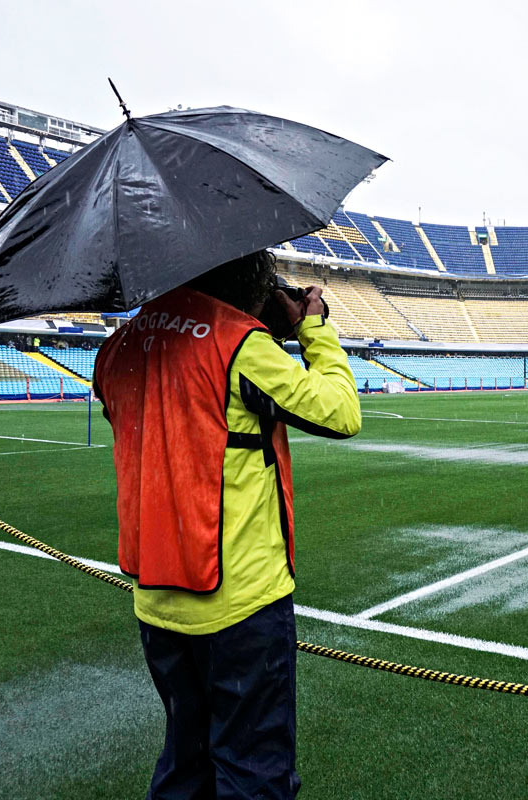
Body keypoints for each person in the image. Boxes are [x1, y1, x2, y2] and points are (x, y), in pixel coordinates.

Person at [94, 250, 361, 799]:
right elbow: (340, 412)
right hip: (239, 602)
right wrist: (312, 330)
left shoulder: (120, 344)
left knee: (185, 763)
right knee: (253, 771)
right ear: (248, 285)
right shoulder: (239, 343)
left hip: (157, 598)